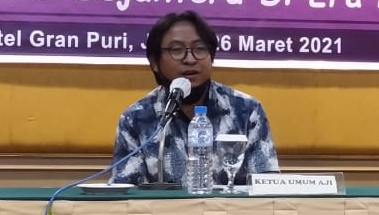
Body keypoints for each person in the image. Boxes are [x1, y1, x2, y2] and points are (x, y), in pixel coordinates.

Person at [112, 11, 278, 186]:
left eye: (200, 49)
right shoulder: (136, 118)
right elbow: (126, 192)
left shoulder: (246, 111)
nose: (190, 59)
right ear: (154, 63)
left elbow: (267, 186)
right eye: (176, 50)